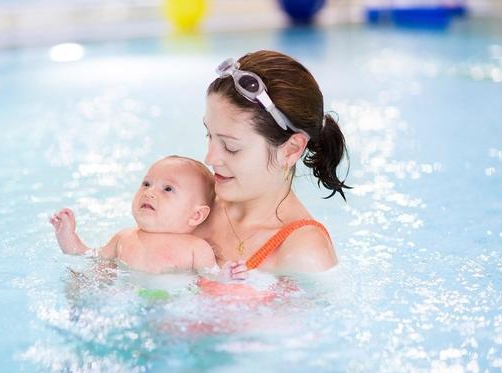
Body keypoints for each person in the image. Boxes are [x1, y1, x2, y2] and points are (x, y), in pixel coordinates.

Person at [194, 50, 351, 283]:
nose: (210, 157)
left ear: (291, 149)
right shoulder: (192, 200)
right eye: (209, 135)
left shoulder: (303, 254)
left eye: (230, 146)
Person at [50, 155, 247, 281]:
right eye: (146, 184)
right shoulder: (124, 238)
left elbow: (210, 279)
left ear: (195, 215)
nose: (150, 192)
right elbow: (88, 257)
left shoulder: (196, 248)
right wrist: (68, 236)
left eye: (168, 189)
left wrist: (226, 276)